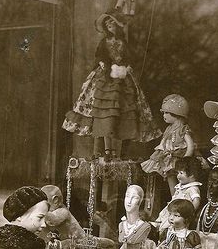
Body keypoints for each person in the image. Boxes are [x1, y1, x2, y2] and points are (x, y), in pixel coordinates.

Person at [62, 12, 159, 159]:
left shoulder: (123, 43)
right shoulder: (104, 42)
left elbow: (128, 57)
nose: (110, 26)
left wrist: (126, 67)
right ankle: (103, 151)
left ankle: (122, 153)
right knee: (103, 110)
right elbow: (100, 55)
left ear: (118, 25)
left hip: (123, 78)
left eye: (112, 24)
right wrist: (103, 64)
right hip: (106, 76)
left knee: (126, 109)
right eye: (107, 25)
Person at [141, 94, 195, 195]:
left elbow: (190, 145)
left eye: (166, 113)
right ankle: (173, 199)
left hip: (180, 159)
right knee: (171, 179)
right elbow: (163, 143)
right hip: (169, 159)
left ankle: (184, 198)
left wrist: (187, 158)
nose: (164, 115)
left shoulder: (183, 129)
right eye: (164, 113)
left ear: (176, 114)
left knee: (183, 180)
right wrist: (161, 152)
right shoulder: (168, 129)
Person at [154, 156, 202, 233]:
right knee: (163, 224)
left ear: (192, 175)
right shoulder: (181, 187)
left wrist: (188, 213)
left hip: (179, 215)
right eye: (177, 173)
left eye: (181, 173)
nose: (178, 176)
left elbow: (196, 201)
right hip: (172, 212)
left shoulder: (192, 188)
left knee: (170, 228)